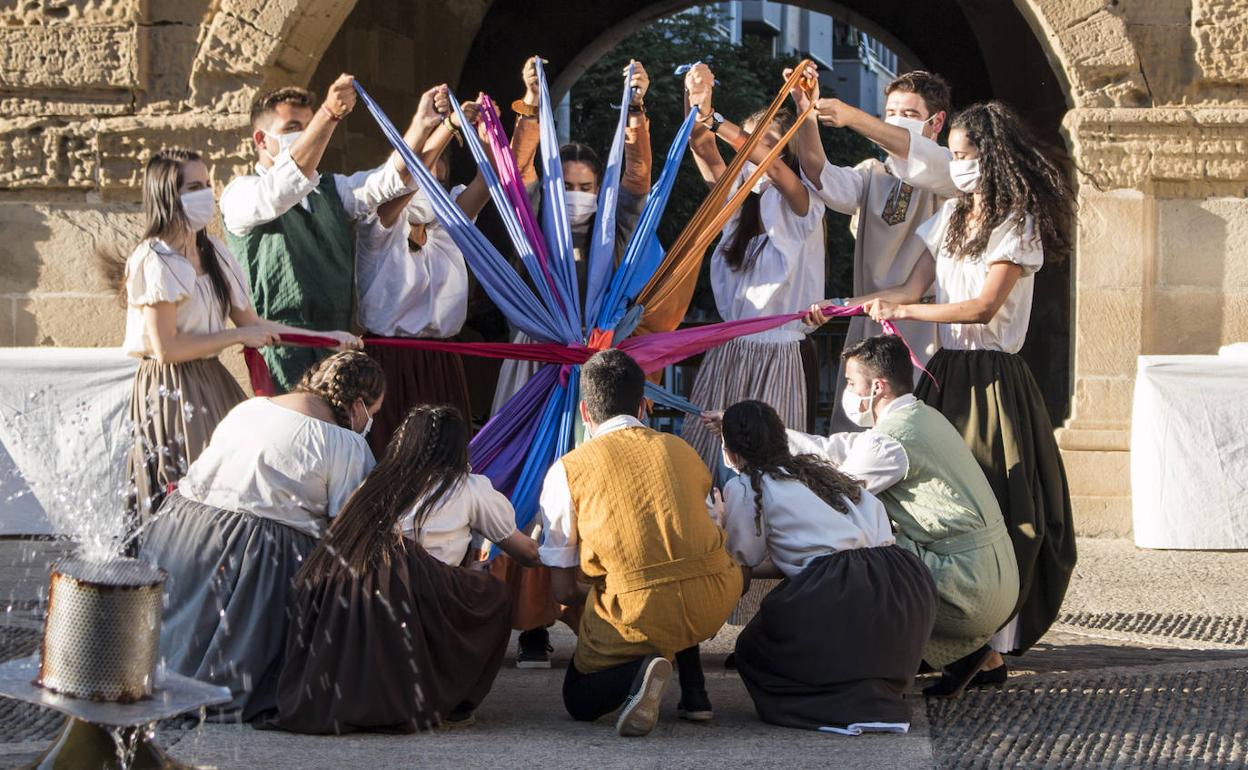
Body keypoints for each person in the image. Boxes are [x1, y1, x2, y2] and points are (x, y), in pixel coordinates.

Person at [806, 100, 1077, 676]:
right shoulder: (952, 217)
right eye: (952, 157)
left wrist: (911, 310)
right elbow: (906, 286)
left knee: (1005, 500)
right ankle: (947, 629)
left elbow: (982, 308)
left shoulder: (1017, 222)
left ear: (992, 156)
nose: (957, 167)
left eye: (965, 156)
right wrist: (838, 307)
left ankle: (995, 648)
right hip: (947, 371)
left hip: (993, 378)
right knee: (933, 498)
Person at [491, 55, 654, 671]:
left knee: (602, 491)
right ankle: (530, 623)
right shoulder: (534, 230)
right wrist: (531, 107)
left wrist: (635, 111)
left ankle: (600, 618)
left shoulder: (622, 236)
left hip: (601, 378)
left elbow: (637, 180)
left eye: (588, 188)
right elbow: (519, 173)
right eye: (569, 188)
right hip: (534, 372)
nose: (579, 198)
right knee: (530, 489)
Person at [97, 148, 358, 525]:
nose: (207, 194)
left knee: (237, 475)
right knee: (192, 486)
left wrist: (328, 337)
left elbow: (254, 324)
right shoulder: (153, 259)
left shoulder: (213, 252)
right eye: (195, 186)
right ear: (167, 194)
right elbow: (166, 349)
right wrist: (236, 336)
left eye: (208, 184)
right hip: (171, 387)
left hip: (210, 376)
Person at [138, 351, 383, 720]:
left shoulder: (251, 408)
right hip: (255, 550)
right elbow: (348, 528)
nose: (371, 422)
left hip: (181, 529)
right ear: (358, 405)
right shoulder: (345, 444)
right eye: (374, 413)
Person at [274, 405, 538, 734]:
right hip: (428, 597)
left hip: (360, 589)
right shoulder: (468, 486)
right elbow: (524, 551)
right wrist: (557, 554)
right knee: (494, 594)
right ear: (458, 447)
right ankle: (457, 704)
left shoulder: (372, 483)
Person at [782, 335, 1019, 696]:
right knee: (877, 530)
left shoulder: (891, 441)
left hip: (970, 590)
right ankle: (973, 658)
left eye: (850, 382)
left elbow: (834, 493)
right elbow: (839, 451)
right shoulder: (923, 416)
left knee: (857, 545)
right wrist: (777, 438)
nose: (847, 390)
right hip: (995, 577)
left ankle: (861, 670)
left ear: (877, 387)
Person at [678, 61, 826, 626]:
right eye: (750, 141)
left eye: (766, 144)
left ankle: (768, 615)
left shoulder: (801, 202)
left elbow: (768, 167)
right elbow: (706, 154)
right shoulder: (738, 203)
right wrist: (697, 106)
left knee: (770, 474)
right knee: (705, 465)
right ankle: (706, 596)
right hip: (729, 350)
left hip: (777, 352)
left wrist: (720, 120)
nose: (753, 154)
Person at [538, 349, 742, 737]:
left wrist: (600, 586)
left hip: (641, 610)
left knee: (578, 699)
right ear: (644, 406)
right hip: (714, 594)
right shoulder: (681, 449)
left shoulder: (568, 469)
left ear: (585, 413)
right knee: (673, 567)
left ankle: (640, 671)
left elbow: (563, 589)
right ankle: (695, 694)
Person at [715, 399, 936, 731]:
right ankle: (871, 695)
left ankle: (844, 708)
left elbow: (742, 558)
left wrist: (719, 525)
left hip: (839, 592)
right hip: (899, 585)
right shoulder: (823, 474)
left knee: (753, 648)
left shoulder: (748, 486)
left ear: (731, 453)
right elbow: (825, 553)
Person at [221, 74, 428, 392]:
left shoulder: (331, 189)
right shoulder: (241, 194)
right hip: (281, 351)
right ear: (261, 140)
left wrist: (424, 126)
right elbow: (283, 188)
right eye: (292, 129)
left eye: (308, 126)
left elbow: (387, 181)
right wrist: (329, 114)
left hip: (337, 345)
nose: (305, 136)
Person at [792, 65, 954, 432]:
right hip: (867, 319)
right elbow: (819, 174)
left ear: (936, 121)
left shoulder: (948, 171)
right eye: (891, 114)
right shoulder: (873, 173)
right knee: (857, 434)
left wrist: (850, 116)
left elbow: (910, 149)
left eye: (910, 115)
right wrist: (807, 112)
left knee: (909, 433)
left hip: (921, 327)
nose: (897, 123)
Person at [355, 87, 489, 455]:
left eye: (439, 180)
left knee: (442, 462)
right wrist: (447, 125)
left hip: (440, 361)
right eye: (425, 177)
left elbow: (486, 183)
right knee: (389, 456)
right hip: (388, 363)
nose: (432, 186)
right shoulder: (379, 225)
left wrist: (487, 138)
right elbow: (409, 176)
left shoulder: (447, 227)